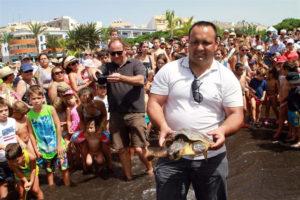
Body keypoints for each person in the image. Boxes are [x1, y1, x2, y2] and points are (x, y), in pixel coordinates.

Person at [147, 21, 243, 200]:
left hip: (211, 157)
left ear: (216, 44)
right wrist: (161, 125)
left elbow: (236, 114)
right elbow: (153, 103)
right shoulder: (169, 71)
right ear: (188, 43)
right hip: (172, 154)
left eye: (206, 42)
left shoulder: (227, 77)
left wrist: (223, 130)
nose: (200, 47)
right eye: (195, 42)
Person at [95, 38, 153, 181]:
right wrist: (94, 73)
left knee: (140, 148)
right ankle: (128, 177)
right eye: (112, 53)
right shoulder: (107, 66)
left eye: (118, 53)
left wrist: (121, 78)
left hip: (135, 112)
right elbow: (95, 70)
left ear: (125, 50)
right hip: (116, 114)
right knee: (121, 149)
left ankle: (150, 169)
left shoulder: (136, 63)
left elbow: (140, 80)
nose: (115, 56)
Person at [26, 85, 70, 186]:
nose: (36, 101)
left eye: (38, 98)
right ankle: (52, 190)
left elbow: (58, 125)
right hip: (43, 148)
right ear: (29, 100)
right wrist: (36, 149)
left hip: (57, 144)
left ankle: (68, 188)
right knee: (49, 171)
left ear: (43, 98)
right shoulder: (29, 115)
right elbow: (31, 134)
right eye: (33, 98)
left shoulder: (50, 109)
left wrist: (59, 144)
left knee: (64, 168)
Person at [0, 97, 18, 199]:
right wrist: (3, 147)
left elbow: (15, 135)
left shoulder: (12, 121)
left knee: (18, 179)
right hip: (2, 159)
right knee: (4, 183)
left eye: (6, 110)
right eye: (0, 111)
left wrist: (21, 143)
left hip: (15, 157)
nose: (4, 113)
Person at [285, 72, 300, 148]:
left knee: (298, 126)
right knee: (294, 125)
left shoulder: (298, 90)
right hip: (291, 110)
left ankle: (299, 141)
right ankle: (294, 137)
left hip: (296, 111)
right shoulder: (292, 89)